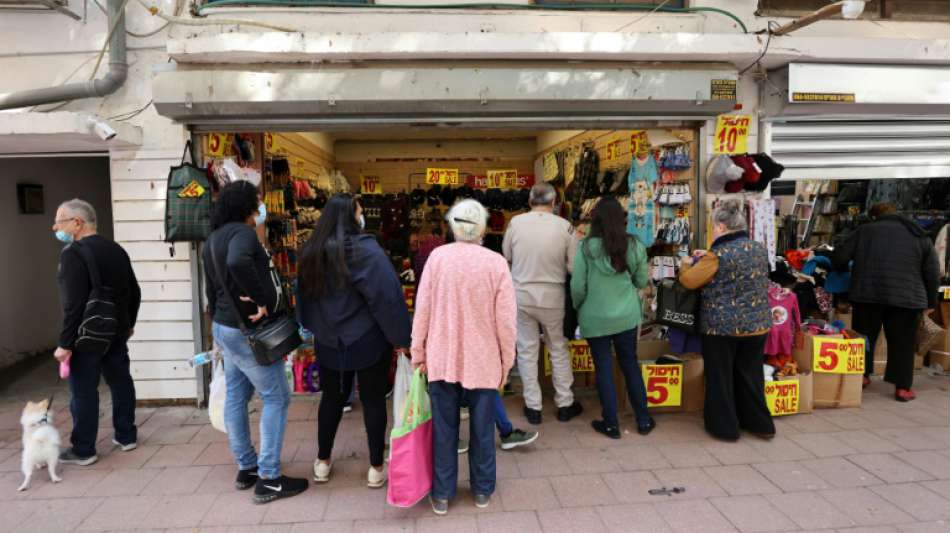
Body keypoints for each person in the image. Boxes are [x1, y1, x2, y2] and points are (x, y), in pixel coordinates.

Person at [297, 193, 411, 489]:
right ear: (352, 216)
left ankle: (322, 462)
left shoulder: (312, 250)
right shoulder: (366, 251)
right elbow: (387, 297)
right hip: (367, 339)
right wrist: (401, 337)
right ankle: (375, 467)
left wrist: (314, 327)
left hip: (328, 340)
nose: (363, 216)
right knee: (373, 401)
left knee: (331, 400)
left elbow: (304, 298)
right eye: (360, 211)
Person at [204, 181, 308, 503]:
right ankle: (270, 478)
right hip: (247, 330)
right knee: (276, 398)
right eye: (257, 201)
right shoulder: (243, 235)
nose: (260, 206)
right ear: (247, 205)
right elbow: (237, 263)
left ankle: (247, 467)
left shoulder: (213, 238)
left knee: (236, 394)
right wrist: (262, 300)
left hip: (225, 326)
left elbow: (211, 288)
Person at [411, 199, 517, 515]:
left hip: (442, 357)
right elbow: (507, 321)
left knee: (444, 428)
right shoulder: (496, 263)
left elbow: (423, 310)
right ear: (483, 228)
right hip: (483, 360)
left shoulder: (437, 259)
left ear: (452, 226)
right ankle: (482, 489)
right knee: (483, 428)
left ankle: (442, 494)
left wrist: (419, 351)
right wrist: (506, 360)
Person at [53, 199, 140, 466]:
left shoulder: (73, 253)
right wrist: (128, 323)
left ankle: (84, 449)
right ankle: (126, 436)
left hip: (87, 335)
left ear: (77, 223)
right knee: (120, 381)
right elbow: (134, 291)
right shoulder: (116, 250)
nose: (55, 227)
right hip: (116, 330)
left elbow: (74, 304)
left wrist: (65, 343)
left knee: (84, 390)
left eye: (59, 221)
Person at [679, 200, 775, 441]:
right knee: (750, 376)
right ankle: (760, 424)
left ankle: (725, 428)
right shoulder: (758, 248)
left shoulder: (718, 255)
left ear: (721, 227)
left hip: (722, 328)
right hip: (756, 325)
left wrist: (685, 265)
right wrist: (708, 257)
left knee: (720, 378)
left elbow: (690, 281)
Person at [833, 202, 939, 402]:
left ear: (874, 217)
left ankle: (861, 376)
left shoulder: (864, 231)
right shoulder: (918, 233)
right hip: (907, 299)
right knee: (902, 343)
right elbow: (932, 271)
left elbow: (839, 257)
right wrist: (931, 301)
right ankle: (902, 388)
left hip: (867, 294)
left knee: (864, 338)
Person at [571, 197, 654, 439]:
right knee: (630, 365)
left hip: (595, 317)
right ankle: (644, 420)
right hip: (626, 316)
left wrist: (579, 307)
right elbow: (640, 281)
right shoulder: (634, 245)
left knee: (604, 369)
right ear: (622, 218)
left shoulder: (586, 248)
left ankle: (611, 424)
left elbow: (578, 286)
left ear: (595, 219)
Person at [502, 182, 581, 425]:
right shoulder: (565, 227)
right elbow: (573, 267)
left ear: (529, 201)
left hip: (521, 293)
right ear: (554, 202)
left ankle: (533, 406)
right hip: (552, 294)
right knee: (558, 347)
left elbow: (507, 257)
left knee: (526, 349)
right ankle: (565, 403)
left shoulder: (515, 224)